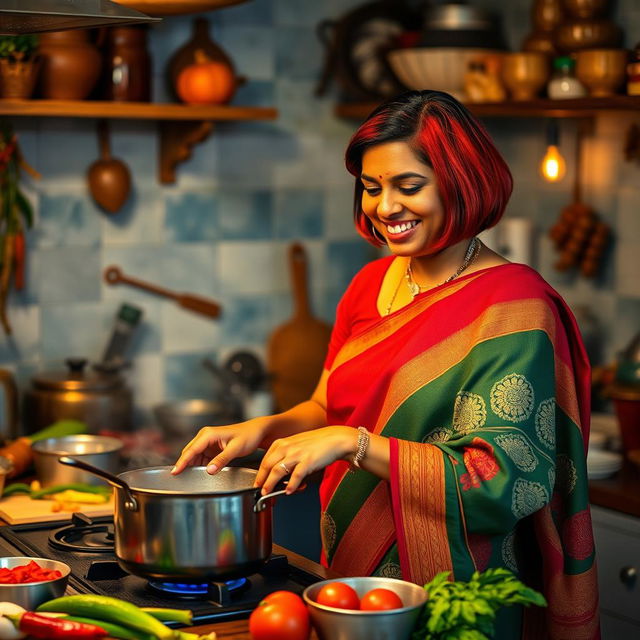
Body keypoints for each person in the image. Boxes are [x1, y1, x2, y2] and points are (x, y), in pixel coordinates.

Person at [172, 90, 599, 640]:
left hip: (461, 593)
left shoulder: (515, 307)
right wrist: (262, 429)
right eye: (372, 188)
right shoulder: (370, 285)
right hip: (350, 575)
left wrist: (351, 443)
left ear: (461, 182)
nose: (384, 207)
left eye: (409, 186)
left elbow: (500, 483)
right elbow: (327, 404)